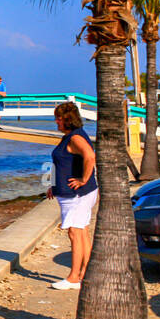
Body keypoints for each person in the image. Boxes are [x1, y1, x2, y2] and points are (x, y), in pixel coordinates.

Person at [47, 101, 98, 291]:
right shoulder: (70, 136)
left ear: (67, 120)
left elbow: (90, 156)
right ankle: (86, 273)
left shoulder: (75, 138)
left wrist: (84, 179)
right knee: (82, 231)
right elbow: (65, 164)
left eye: (58, 119)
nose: (56, 122)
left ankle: (74, 277)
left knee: (75, 233)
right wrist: (53, 186)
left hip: (76, 195)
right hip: (75, 194)